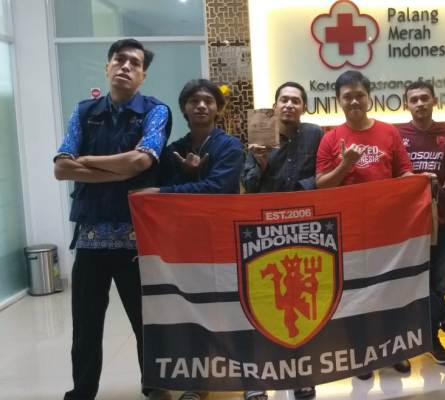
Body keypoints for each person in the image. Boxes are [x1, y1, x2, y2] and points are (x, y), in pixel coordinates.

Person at [53, 38, 172, 400]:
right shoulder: (83, 112)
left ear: (143, 75)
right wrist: (120, 170)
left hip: (136, 239)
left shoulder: (156, 111)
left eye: (135, 63)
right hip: (90, 239)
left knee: (146, 322)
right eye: (119, 60)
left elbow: (142, 160)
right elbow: (61, 168)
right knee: (85, 326)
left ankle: (155, 386)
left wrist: (88, 162)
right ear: (107, 67)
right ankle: (82, 392)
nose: (126, 67)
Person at [137, 80, 243, 400]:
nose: (201, 106)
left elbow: (218, 190)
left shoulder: (230, 146)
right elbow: (171, 196)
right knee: (192, 312)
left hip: (222, 242)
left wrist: (165, 191)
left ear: (218, 108)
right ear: (184, 107)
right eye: (194, 101)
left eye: (208, 101)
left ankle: (250, 379)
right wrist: (185, 176)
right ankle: (199, 382)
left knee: (232, 310)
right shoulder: (174, 149)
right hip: (184, 246)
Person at [316, 70, 414, 379]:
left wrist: (419, 181)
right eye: (347, 97)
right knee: (355, 294)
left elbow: (404, 172)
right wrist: (345, 165)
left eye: (359, 95)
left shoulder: (389, 133)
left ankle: (394, 350)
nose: (354, 101)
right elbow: (321, 185)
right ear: (339, 101)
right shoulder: (330, 138)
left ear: (369, 97)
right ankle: (361, 354)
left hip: (388, 230)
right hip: (348, 232)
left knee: (390, 290)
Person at [241, 81, 323, 400]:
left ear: (304, 107)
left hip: (304, 229)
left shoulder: (315, 134)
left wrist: (299, 191)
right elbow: (248, 186)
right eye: (283, 100)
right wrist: (260, 163)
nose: (289, 105)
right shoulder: (260, 132)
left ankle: (301, 375)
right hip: (264, 231)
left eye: (295, 100)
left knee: (301, 303)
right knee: (261, 303)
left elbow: (323, 174)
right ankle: (257, 379)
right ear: (274, 105)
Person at [397, 81, 445, 366]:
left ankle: (432, 335)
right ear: (406, 104)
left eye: (425, 98)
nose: (420, 103)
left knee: (437, 280)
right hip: (410, 222)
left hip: (443, 217)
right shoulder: (397, 134)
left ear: (434, 101)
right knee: (416, 282)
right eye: (414, 99)